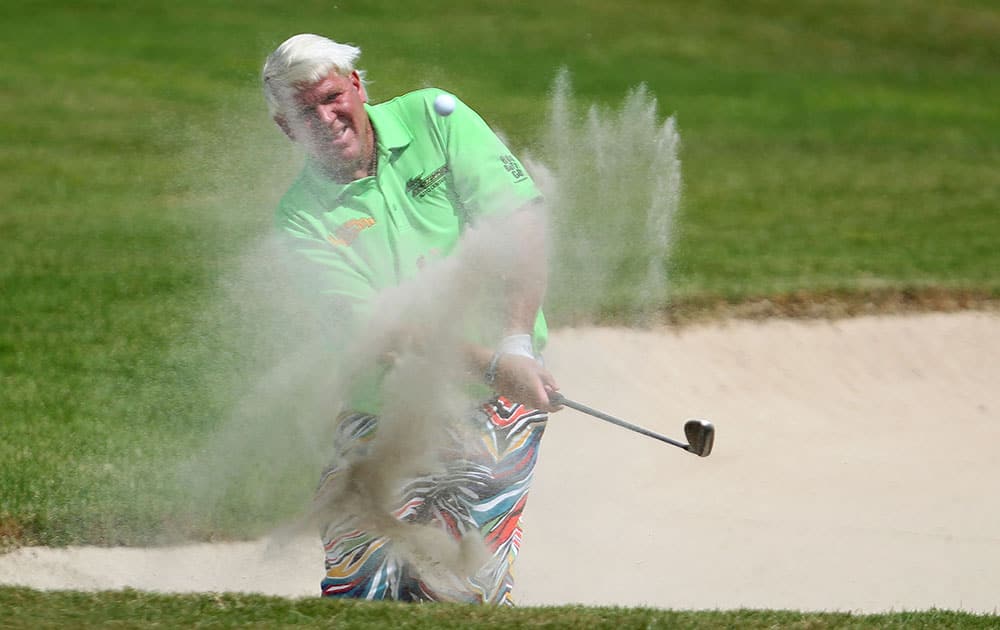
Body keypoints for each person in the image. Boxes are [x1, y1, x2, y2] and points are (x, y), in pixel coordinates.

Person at [262, 33, 560, 605]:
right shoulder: (300, 219)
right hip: (382, 407)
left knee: (460, 580)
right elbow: (385, 330)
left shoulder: (434, 117)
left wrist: (516, 343)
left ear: (357, 86)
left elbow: (519, 220)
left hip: (498, 406)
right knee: (362, 577)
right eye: (304, 111)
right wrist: (494, 364)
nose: (325, 118)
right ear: (286, 128)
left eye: (331, 98)